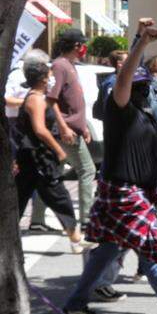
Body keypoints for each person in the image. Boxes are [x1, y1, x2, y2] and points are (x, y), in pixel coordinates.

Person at [64, 19, 157, 314]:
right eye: (138, 86)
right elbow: (124, 79)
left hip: (139, 193)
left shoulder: (148, 117)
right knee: (152, 255)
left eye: (146, 86)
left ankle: (75, 303)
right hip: (124, 194)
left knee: (108, 250)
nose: (143, 90)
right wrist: (141, 42)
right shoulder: (118, 111)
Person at [13, 52, 85, 250]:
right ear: (43, 78)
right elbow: (40, 129)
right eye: (50, 75)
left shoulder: (40, 97)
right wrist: (59, 150)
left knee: (22, 198)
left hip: (35, 156)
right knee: (58, 195)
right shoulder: (35, 99)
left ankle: (75, 237)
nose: (52, 78)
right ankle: (76, 238)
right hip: (38, 156)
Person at [47, 27, 97, 226]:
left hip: (73, 129)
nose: (84, 48)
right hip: (66, 131)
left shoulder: (69, 65)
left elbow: (73, 101)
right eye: (82, 44)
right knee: (88, 170)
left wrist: (83, 127)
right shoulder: (60, 65)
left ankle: (37, 219)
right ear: (77, 45)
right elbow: (51, 100)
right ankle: (86, 220)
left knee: (52, 175)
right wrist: (64, 127)